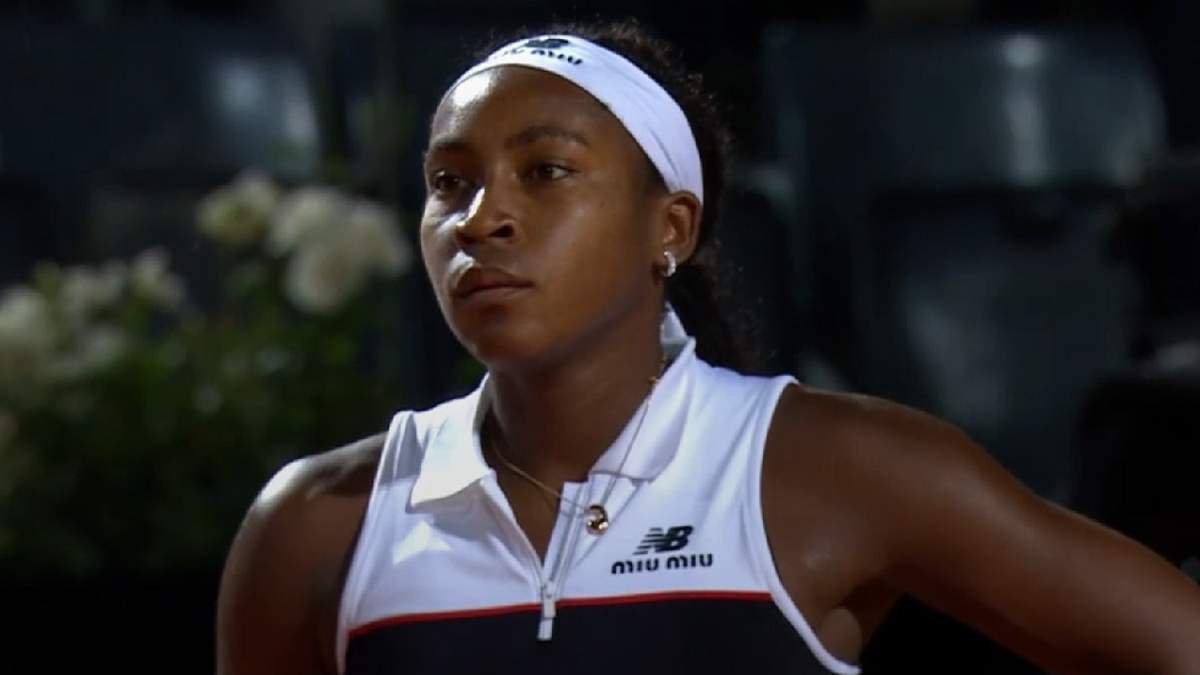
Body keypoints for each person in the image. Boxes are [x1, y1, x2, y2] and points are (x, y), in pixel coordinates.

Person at [216, 20, 1200, 675]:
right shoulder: (316, 526)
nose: (481, 219)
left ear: (671, 229)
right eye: (449, 183)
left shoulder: (841, 468)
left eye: (546, 171)